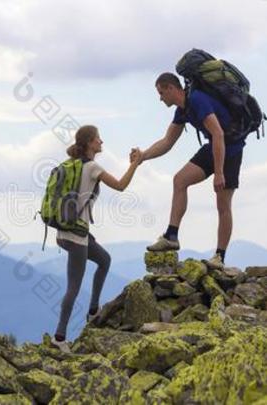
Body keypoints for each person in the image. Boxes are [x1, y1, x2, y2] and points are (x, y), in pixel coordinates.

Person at [131, 72, 245, 270]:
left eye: (161, 93)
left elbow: (218, 133)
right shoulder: (182, 110)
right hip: (214, 147)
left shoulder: (197, 100)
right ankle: (171, 236)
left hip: (231, 149)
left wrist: (219, 173)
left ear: (171, 88)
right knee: (180, 180)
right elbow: (167, 142)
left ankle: (219, 256)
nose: (160, 98)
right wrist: (143, 156)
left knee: (223, 204)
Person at [51, 125, 141, 352]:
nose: (102, 142)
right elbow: (121, 185)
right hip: (76, 236)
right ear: (90, 142)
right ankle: (60, 337)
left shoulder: (70, 165)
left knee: (104, 259)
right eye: (98, 139)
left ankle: (93, 311)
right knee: (73, 287)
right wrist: (135, 163)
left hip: (64, 231)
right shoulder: (91, 167)